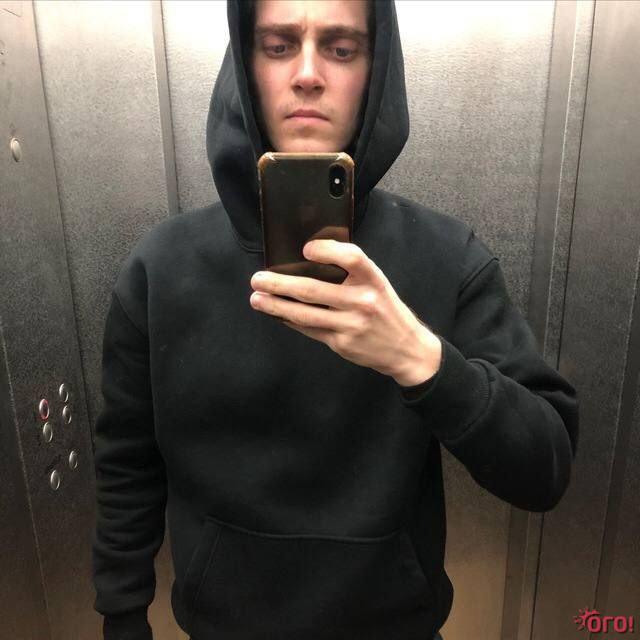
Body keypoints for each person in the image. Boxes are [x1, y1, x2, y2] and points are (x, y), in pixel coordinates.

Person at [91, 0, 579, 639]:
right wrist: (123, 618)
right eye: (278, 45)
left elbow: (545, 470)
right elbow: (126, 464)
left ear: (376, 73)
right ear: (245, 65)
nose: (308, 75)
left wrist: (420, 359)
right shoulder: (161, 268)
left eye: (341, 49)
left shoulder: (446, 257)